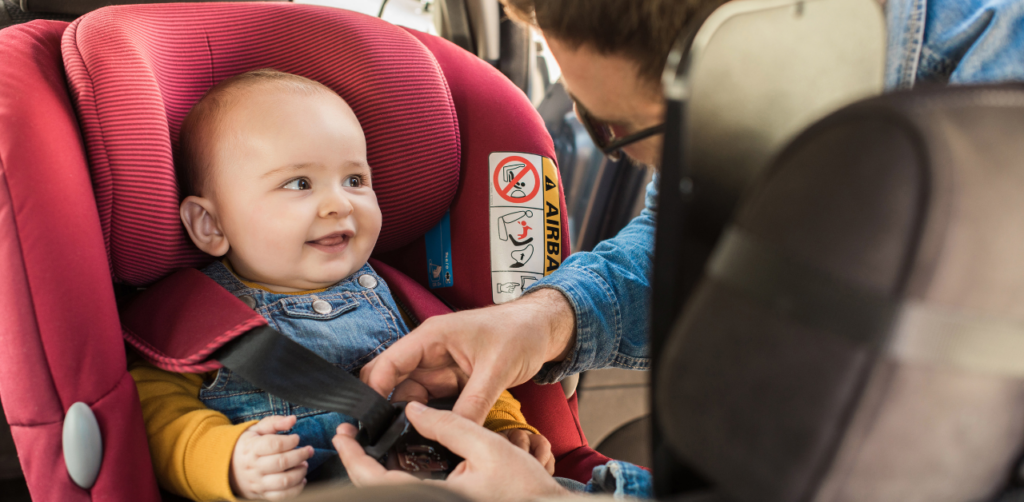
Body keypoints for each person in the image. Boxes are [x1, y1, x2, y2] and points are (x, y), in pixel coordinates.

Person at [342, 0, 1024, 499]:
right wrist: (547, 318)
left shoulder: (998, 134)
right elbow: (696, 228)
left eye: (617, 128)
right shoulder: (765, 90)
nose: (630, 162)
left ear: (750, 57)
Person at [128, 69, 554, 502]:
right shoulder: (194, 321)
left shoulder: (399, 297)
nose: (339, 204)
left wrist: (504, 426)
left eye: (354, 180)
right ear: (211, 224)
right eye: (299, 184)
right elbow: (158, 418)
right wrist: (230, 461)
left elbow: (464, 372)